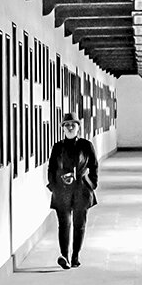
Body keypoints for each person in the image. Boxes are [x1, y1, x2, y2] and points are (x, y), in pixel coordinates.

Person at [47, 113, 98, 269]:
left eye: (73, 125)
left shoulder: (86, 145)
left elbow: (94, 166)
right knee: (64, 224)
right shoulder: (58, 147)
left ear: (78, 127)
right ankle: (65, 256)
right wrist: (54, 186)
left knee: (79, 224)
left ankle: (75, 255)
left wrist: (91, 183)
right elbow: (51, 168)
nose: (70, 127)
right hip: (62, 191)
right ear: (62, 128)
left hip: (81, 189)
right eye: (66, 125)